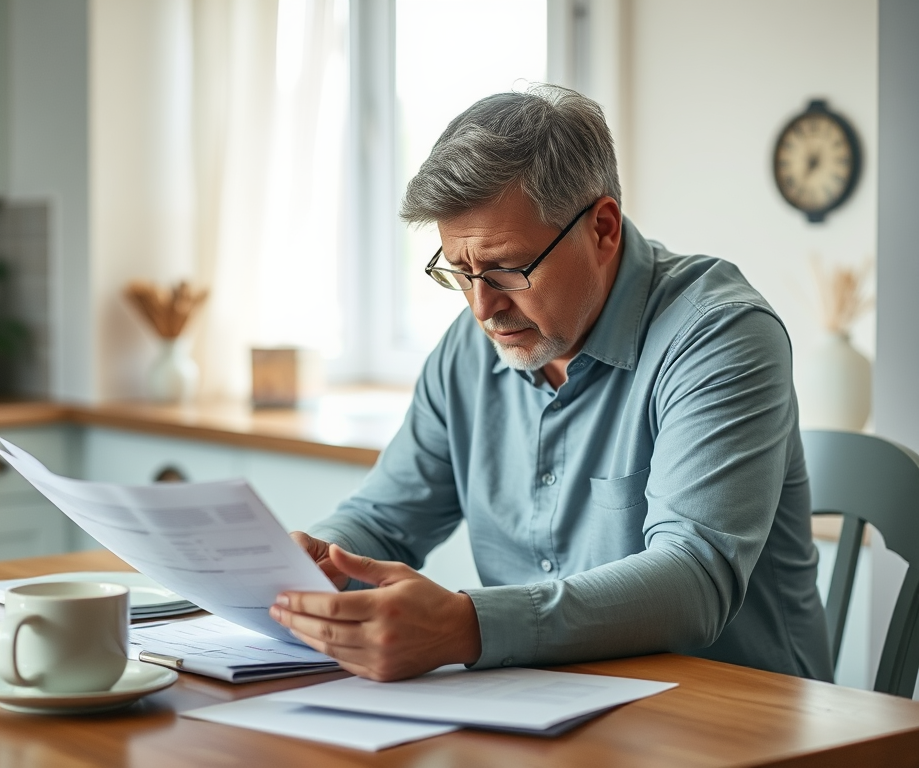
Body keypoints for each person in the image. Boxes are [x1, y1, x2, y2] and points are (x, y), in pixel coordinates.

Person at [268, 84, 834, 684]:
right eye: (459, 272)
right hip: (543, 710)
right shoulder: (469, 347)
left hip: (734, 720)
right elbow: (384, 522)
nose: (483, 308)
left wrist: (467, 625)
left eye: (506, 269)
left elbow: (692, 579)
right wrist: (316, 564)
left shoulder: (719, 334)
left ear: (604, 228)